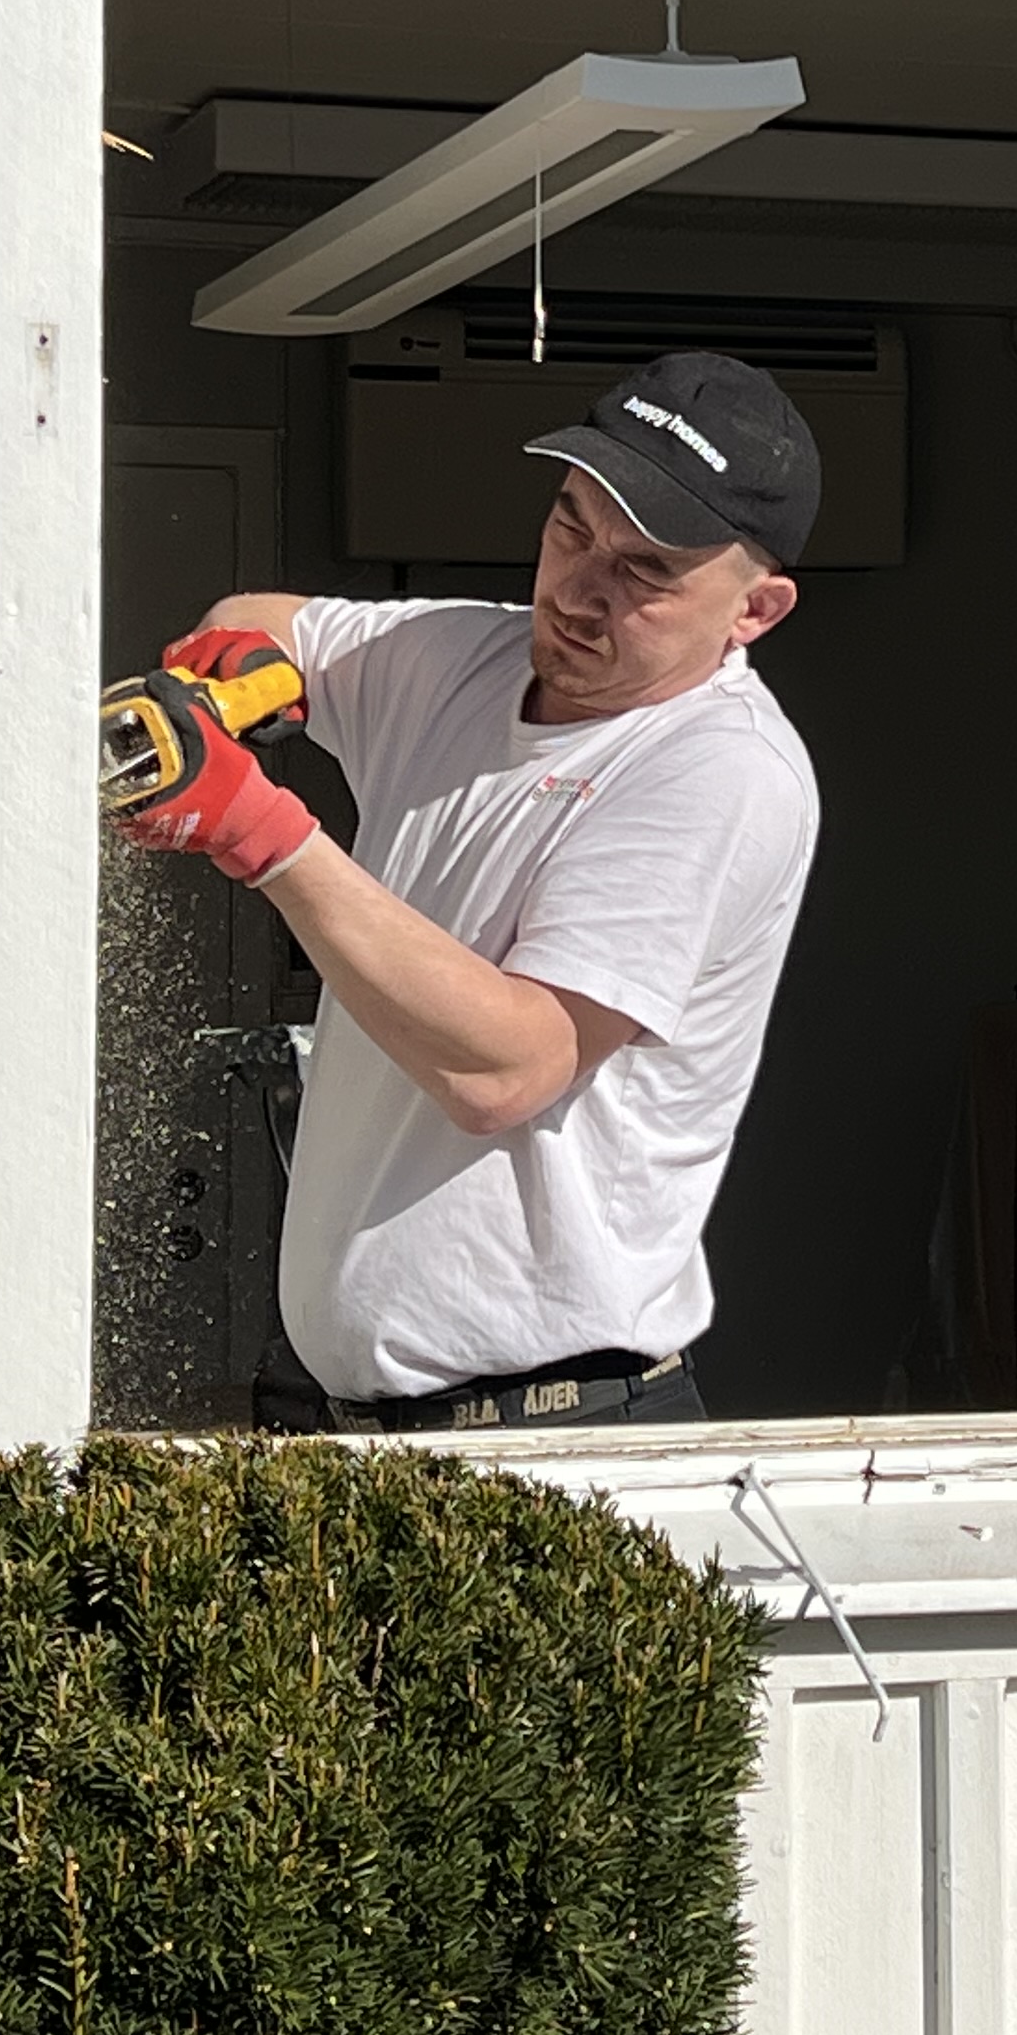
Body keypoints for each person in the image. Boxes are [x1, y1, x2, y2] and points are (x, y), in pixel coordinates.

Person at [125, 349, 823, 1432]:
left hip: (559, 1427)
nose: (580, 591)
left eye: (645, 572)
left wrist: (262, 832)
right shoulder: (469, 657)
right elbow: (260, 612)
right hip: (366, 1420)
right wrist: (246, 674)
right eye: (571, 527)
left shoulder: (719, 769)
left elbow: (507, 1067)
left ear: (756, 610)